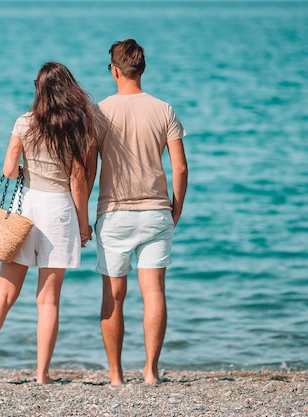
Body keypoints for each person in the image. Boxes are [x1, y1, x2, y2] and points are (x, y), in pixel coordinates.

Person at [0, 62, 99, 384]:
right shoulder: (78, 125)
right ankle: (42, 374)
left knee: (4, 294)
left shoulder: (24, 122)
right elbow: (79, 181)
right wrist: (84, 225)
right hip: (59, 211)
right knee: (48, 299)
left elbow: (9, 170)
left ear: (38, 89)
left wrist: (27, 169)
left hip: (27, 206)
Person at [88, 39, 188, 386]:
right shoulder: (164, 109)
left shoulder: (98, 112)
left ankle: (115, 376)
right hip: (156, 212)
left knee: (113, 295)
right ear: (141, 69)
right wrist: (176, 207)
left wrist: (82, 214)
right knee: (155, 292)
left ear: (114, 70)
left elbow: (87, 169)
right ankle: (151, 372)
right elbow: (181, 168)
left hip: (114, 214)